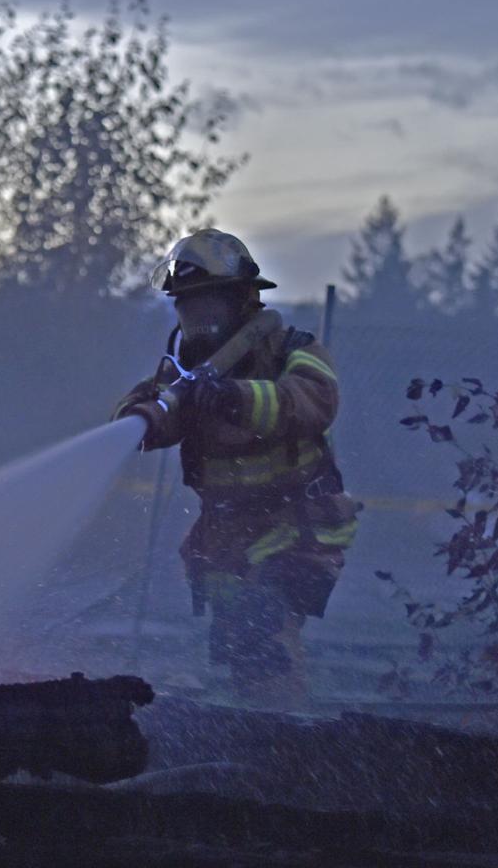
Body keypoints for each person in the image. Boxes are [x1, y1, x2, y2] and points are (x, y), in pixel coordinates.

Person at [113, 229, 358, 707]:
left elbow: (311, 402)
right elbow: (151, 411)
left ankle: (284, 744)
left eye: (209, 306)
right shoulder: (188, 372)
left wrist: (234, 398)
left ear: (244, 299)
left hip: (298, 529)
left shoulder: (295, 351)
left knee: (264, 631)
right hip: (227, 539)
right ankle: (264, 723)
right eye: (188, 309)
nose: (199, 321)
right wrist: (138, 418)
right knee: (241, 647)